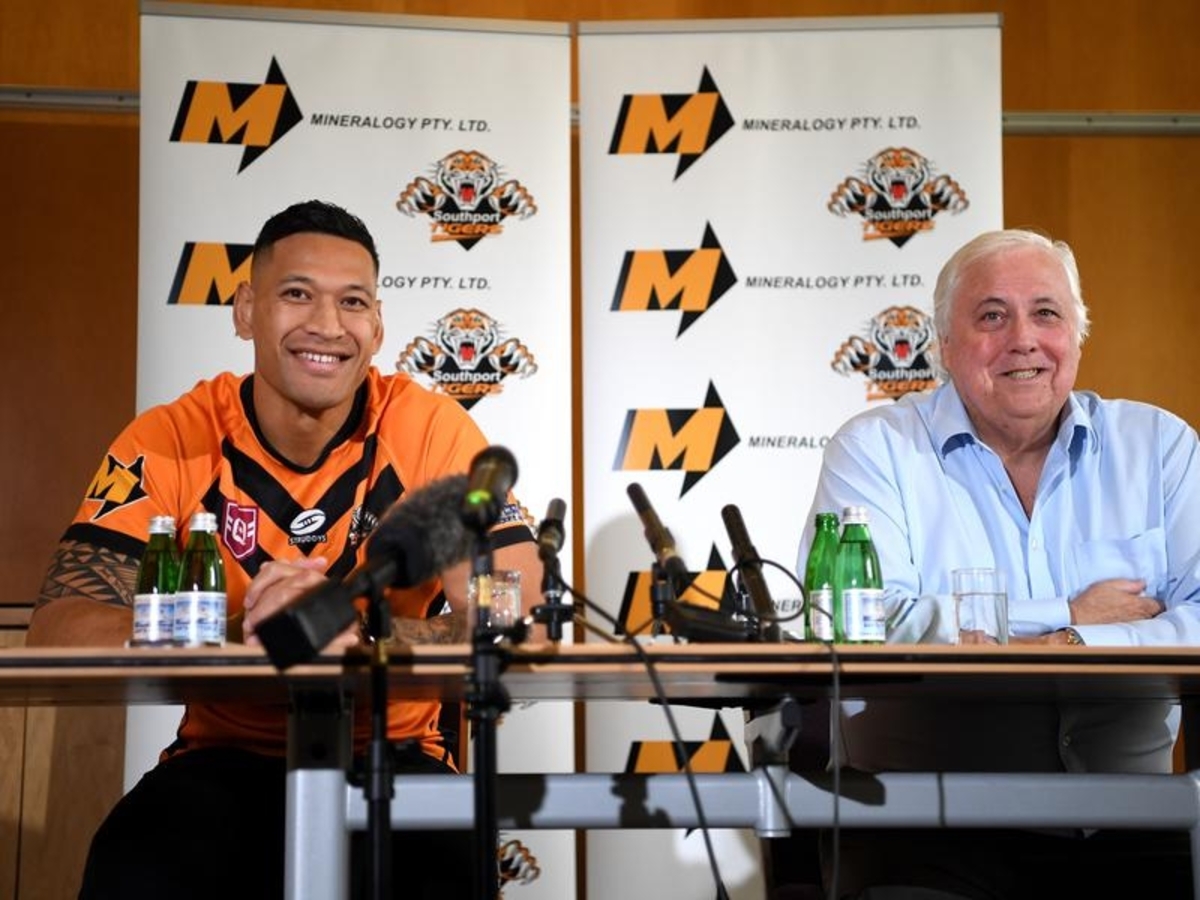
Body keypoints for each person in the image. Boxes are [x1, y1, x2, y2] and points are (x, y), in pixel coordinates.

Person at [27, 199, 543, 900]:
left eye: (352, 302)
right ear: (245, 311)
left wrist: (360, 638)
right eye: (297, 294)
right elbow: (61, 627)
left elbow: (518, 616)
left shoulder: (431, 432)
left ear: (377, 326)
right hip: (222, 758)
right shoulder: (172, 437)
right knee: (135, 866)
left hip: (392, 757)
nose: (327, 325)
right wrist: (240, 636)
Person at [795, 229, 1200, 899]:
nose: (1024, 339)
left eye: (1047, 313)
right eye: (991, 316)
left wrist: (1076, 643)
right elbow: (860, 622)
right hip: (930, 824)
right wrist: (1064, 616)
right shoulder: (875, 450)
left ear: (1077, 336)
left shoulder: (1159, 447)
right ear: (945, 347)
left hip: (1133, 819)